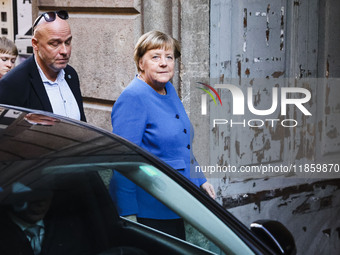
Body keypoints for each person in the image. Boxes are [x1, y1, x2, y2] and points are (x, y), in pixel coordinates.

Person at [109, 30, 216, 240]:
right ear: (141, 63)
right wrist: (127, 214)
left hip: (175, 200)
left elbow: (181, 143)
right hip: (150, 209)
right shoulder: (133, 97)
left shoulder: (168, 89)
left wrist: (200, 179)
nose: (164, 63)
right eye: (155, 57)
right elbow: (123, 160)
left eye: (169, 57)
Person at [0, 10, 86, 121]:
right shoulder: (13, 83)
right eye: (55, 44)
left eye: (68, 42)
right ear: (35, 44)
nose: (65, 51)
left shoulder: (70, 74)